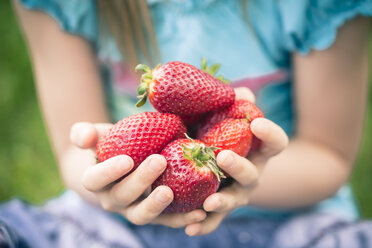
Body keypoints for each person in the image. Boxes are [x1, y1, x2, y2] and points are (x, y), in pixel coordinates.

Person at [1, 0, 372, 247]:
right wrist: (106, 175)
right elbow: (73, 153)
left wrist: (233, 180)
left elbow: (329, 155)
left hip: (289, 220)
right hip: (118, 224)